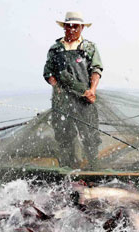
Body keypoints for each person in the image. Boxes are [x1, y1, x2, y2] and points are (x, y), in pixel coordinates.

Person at [43, 11, 103, 168]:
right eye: (68, 26)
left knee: (90, 134)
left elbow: (96, 69)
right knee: (64, 134)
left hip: (85, 98)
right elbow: (48, 72)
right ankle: (68, 168)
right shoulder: (56, 48)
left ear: (82, 28)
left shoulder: (89, 47)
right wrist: (56, 85)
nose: (72, 29)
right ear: (64, 27)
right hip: (62, 100)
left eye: (75, 26)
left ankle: (94, 166)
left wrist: (92, 90)